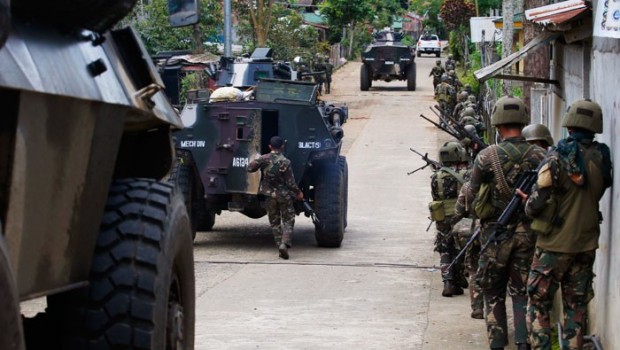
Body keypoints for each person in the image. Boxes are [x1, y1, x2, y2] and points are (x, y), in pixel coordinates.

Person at [521, 100, 612, 350]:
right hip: (586, 245)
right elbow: (598, 191)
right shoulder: (603, 157)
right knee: (576, 306)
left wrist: (527, 201)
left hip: (553, 246)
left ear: (569, 124)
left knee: (538, 302)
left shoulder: (557, 157)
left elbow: (534, 205)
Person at [469, 96, 546, 350]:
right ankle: (523, 343)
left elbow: (472, 192)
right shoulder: (541, 155)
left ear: (498, 123)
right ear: (523, 121)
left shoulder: (485, 157)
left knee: (492, 292)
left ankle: (498, 344)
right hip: (528, 234)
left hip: (495, 234)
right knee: (522, 292)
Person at [248, 136, 304, 259]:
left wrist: (257, 160)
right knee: (288, 220)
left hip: (269, 195)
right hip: (284, 196)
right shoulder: (286, 162)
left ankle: (279, 246)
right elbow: (290, 183)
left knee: (275, 222)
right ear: (283, 147)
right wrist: (298, 192)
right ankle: (285, 243)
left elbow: (250, 168)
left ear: (269, 147)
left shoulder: (263, 159)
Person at [429, 141, 470, 297]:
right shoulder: (465, 175)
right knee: (460, 248)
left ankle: (447, 282)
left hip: (442, 217)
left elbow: (435, 196)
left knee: (444, 248)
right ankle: (458, 279)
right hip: (460, 216)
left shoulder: (436, 177)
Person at [452, 180, 484, 319]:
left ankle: (477, 307)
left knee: (473, 269)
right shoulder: (501, 184)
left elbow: (458, 211)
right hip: (496, 230)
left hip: (474, 230)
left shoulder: (467, 186)